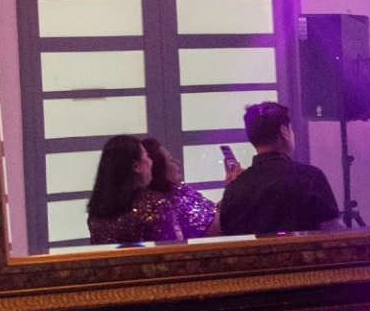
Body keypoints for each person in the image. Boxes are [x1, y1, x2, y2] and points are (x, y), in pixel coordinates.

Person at [215, 100, 341, 237]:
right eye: (291, 129)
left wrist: (233, 186)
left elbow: (226, 232)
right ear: (284, 131)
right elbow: (333, 232)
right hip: (303, 251)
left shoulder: (235, 188)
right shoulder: (310, 177)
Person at [82, 135, 212, 247]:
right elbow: (175, 249)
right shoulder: (156, 204)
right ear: (136, 167)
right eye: (147, 156)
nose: (151, 163)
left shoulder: (96, 211)